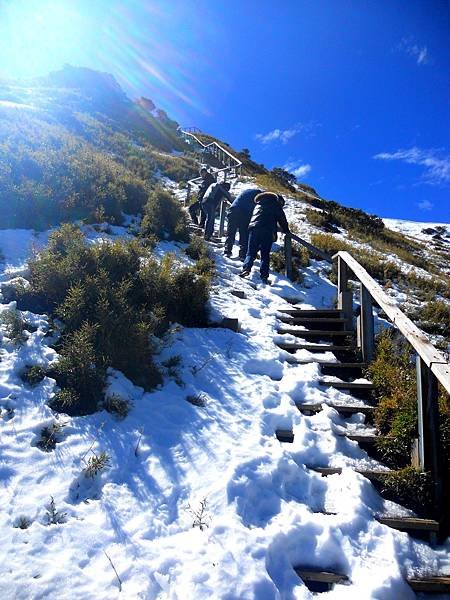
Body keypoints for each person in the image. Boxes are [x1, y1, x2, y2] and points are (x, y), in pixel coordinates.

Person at [239, 192, 289, 284]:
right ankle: (264, 276)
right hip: (267, 231)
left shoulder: (258, 204)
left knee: (250, 252)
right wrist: (286, 230)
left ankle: (246, 269)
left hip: (254, 229)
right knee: (265, 255)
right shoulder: (275, 205)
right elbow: (282, 219)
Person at [224, 187, 261, 259]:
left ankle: (227, 251)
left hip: (233, 210)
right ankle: (242, 255)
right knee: (244, 234)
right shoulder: (258, 195)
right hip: (244, 213)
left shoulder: (247, 190)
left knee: (231, 232)